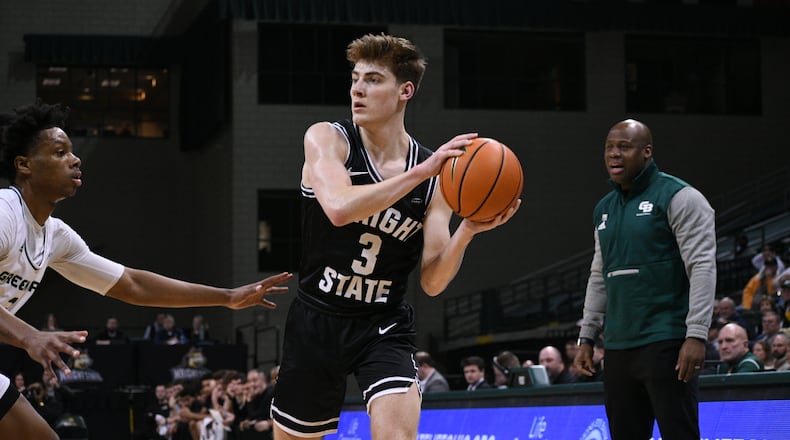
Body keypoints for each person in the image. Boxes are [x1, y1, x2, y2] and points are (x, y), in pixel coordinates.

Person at [270, 34, 519, 440]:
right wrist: (422, 172)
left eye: (372, 79)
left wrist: (469, 230)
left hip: (382, 323)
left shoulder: (435, 178)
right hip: (317, 319)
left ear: (405, 91)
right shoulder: (328, 139)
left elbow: (433, 282)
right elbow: (337, 208)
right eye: (355, 79)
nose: (357, 89)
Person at [0, 99, 293, 439]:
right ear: (24, 165)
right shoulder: (6, 213)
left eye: (72, 152)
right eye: (60, 152)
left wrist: (227, 297)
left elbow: (133, 285)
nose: (75, 159)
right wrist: (29, 335)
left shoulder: (54, 235)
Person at [574, 119, 716, 440]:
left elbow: (703, 267)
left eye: (624, 147)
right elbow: (599, 275)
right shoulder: (604, 208)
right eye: (610, 147)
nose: (614, 154)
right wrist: (587, 337)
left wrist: (696, 335)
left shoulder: (682, 197)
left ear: (647, 152)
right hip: (619, 347)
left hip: (667, 341)